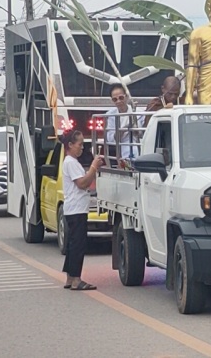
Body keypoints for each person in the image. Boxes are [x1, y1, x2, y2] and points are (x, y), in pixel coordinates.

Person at [61, 131, 103, 290]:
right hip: (76, 209)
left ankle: (70, 277)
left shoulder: (72, 162)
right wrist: (93, 167)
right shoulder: (71, 162)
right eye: (79, 144)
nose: (82, 148)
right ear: (70, 145)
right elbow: (82, 183)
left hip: (74, 208)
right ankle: (76, 279)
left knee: (73, 244)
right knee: (78, 245)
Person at [105, 84, 144, 165]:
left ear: (126, 96)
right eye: (115, 99)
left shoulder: (139, 112)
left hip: (141, 150)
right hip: (123, 152)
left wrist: (136, 129)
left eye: (121, 98)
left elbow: (144, 133)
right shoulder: (111, 115)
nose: (118, 101)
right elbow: (111, 139)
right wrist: (123, 129)